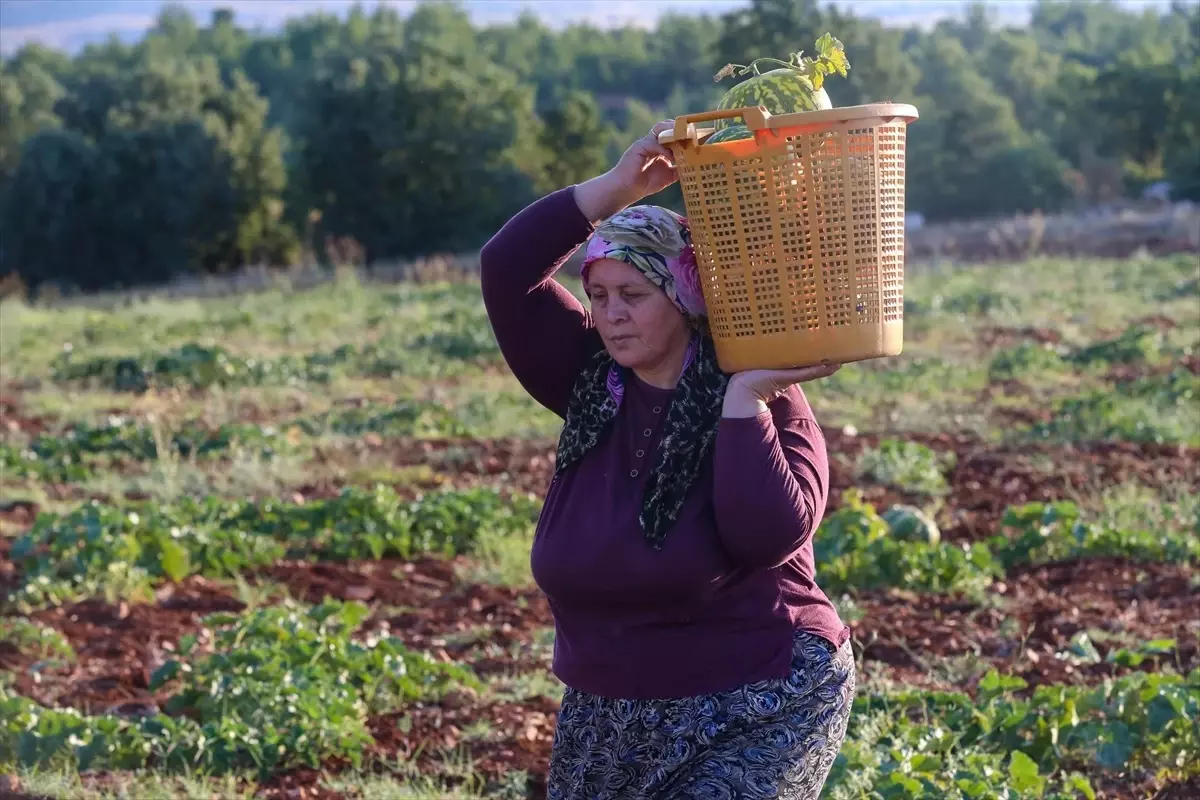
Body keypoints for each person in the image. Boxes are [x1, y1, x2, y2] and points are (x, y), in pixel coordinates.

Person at [480, 120, 854, 799]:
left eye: (634, 295)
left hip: (761, 692)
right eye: (598, 296)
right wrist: (614, 189)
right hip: (610, 708)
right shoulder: (593, 381)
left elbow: (770, 537)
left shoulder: (763, 391)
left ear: (683, 296)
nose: (611, 315)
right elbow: (507, 270)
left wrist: (744, 406)